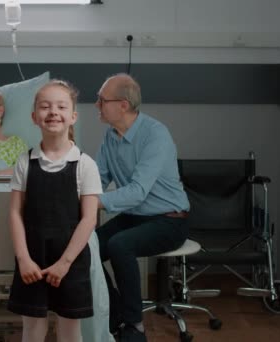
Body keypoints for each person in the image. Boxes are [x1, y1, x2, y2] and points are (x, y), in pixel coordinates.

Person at [94, 74, 190, 342]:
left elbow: (137, 192)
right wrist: (79, 193)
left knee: (120, 245)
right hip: (136, 217)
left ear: (123, 105)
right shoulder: (110, 136)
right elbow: (98, 180)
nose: (96, 105)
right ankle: (114, 317)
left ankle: (135, 325)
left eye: (102, 100)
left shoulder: (155, 134)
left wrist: (93, 201)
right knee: (85, 245)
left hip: (170, 220)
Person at [7, 80, 102, 342]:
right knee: (33, 328)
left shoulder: (85, 164)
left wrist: (65, 263)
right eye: (45, 106)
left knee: (70, 330)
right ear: (34, 116)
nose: (53, 112)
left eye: (61, 106)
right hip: (32, 258)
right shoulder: (25, 162)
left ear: (73, 117)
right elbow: (15, 213)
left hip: (71, 260)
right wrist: (23, 259)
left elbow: (89, 219)